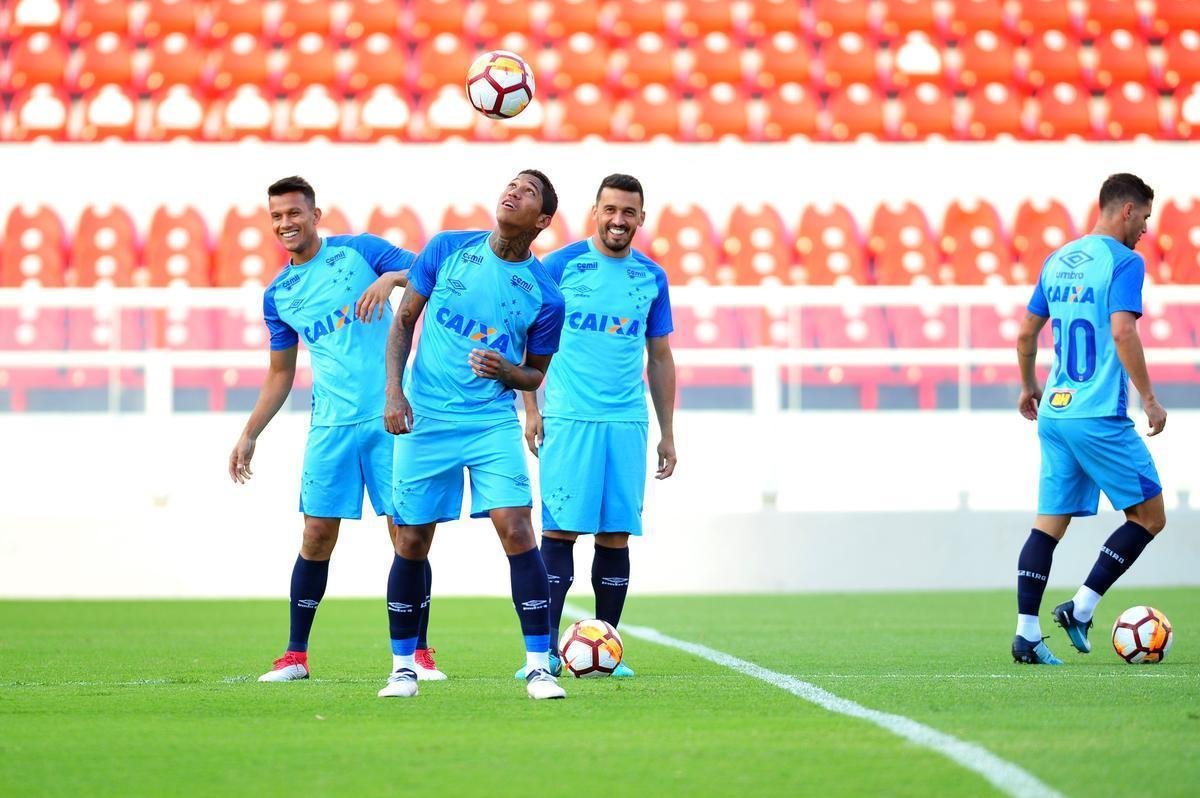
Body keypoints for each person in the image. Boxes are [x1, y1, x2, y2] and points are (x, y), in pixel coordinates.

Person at [230, 176, 444, 683]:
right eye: (277, 216)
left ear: (315, 215)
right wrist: (250, 433)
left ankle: (419, 654)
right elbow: (281, 373)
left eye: (294, 213)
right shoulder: (279, 294)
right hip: (331, 426)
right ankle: (295, 656)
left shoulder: (360, 251)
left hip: (392, 414)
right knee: (316, 534)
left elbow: (431, 273)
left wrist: (390, 280)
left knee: (407, 534)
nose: (286, 223)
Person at [380, 170, 567, 700]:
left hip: (490, 423)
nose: (513, 192)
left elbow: (535, 374)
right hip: (427, 418)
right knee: (411, 538)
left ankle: (537, 667)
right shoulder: (446, 249)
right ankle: (402, 669)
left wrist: (507, 371)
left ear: (543, 220)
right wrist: (394, 393)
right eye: (511, 185)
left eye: (528, 192)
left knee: (517, 529)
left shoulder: (545, 297)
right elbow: (403, 324)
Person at [517, 173, 676, 679]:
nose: (618, 220)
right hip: (568, 416)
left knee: (615, 536)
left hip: (627, 420)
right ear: (595, 211)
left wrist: (667, 431)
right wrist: (532, 408)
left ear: (641, 219)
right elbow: (527, 335)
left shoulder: (651, 276)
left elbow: (661, 357)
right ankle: (541, 656)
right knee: (560, 533)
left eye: (629, 212)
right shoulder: (560, 266)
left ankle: (608, 647)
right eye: (610, 210)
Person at [1011, 172, 1167, 665]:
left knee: (1047, 526)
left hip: (1055, 412)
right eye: (1144, 217)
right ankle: (1080, 608)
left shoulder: (1057, 260)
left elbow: (1025, 335)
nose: (1145, 228)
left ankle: (1027, 636)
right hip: (1097, 414)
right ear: (1126, 210)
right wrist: (1148, 398)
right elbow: (1123, 332)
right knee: (1149, 516)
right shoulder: (1124, 262)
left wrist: (1028, 385)